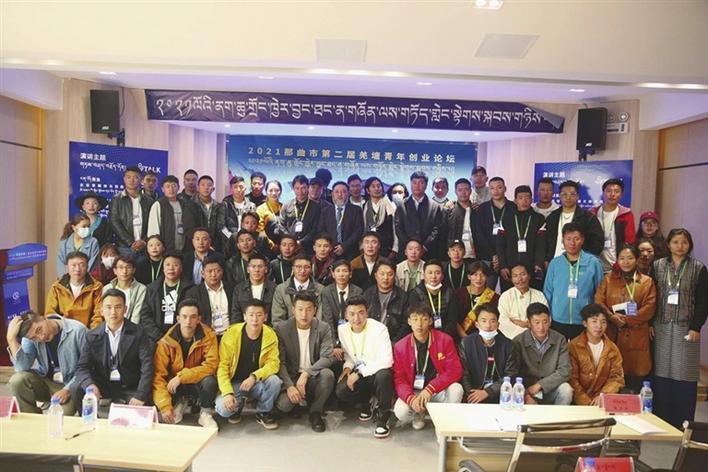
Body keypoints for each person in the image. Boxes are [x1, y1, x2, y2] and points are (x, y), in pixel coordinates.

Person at [651, 228, 708, 428]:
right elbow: (650, 297)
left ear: (689, 245)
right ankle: (660, 421)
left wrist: (696, 327)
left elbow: (703, 301)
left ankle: (682, 424)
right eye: (675, 242)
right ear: (668, 244)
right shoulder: (657, 265)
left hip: (686, 328)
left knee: (684, 374)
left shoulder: (698, 268)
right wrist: (649, 323)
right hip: (661, 325)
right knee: (661, 372)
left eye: (684, 242)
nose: (680, 246)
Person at [75, 289, 154, 413]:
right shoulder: (92, 335)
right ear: (101, 310)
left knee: (143, 405)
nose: (113, 312)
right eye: (108, 307)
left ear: (125, 309)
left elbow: (147, 366)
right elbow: (82, 367)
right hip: (103, 384)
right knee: (79, 390)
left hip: (130, 386)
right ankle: (91, 422)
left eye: (118, 307)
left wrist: (141, 394)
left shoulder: (138, 332)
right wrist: (90, 385)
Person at [594, 244, 656, 392]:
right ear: (617, 260)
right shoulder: (608, 279)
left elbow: (649, 308)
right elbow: (598, 301)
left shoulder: (646, 282)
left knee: (635, 380)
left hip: (636, 335)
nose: (626, 262)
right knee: (611, 378)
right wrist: (611, 317)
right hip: (611, 333)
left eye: (630, 258)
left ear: (636, 259)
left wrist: (626, 320)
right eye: (622, 258)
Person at [393, 303, 463, 430]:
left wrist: (431, 388)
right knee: (400, 412)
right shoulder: (400, 346)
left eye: (424, 319)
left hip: (437, 390)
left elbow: (455, 370)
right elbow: (399, 379)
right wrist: (410, 399)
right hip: (414, 391)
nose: (419, 324)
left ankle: (444, 419)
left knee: (456, 389)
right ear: (409, 321)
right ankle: (418, 413)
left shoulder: (445, 340)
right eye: (415, 319)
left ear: (431, 321)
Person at [215, 300, 282, 429]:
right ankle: (238, 406)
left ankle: (263, 412)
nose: (255, 319)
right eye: (251, 315)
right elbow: (222, 367)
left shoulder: (270, 335)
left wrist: (254, 376)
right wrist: (227, 393)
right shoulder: (231, 334)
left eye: (259, 315)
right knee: (223, 409)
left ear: (265, 317)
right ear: (244, 316)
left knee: (275, 381)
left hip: (256, 383)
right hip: (234, 384)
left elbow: (273, 364)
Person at [275, 292, 335, 432]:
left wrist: (306, 374)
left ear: (315, 310)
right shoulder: (282, 329)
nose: (304, 314)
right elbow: (280, 362)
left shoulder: (323, 327)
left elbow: (327, 357)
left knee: (327, 375)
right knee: (284, 405)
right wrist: (289, 386)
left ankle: (315, 412)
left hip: (312, 376)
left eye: (308, 309)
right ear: (293, 310)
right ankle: (295, 405)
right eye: (300, 309)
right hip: (291, 376)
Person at [153, 299, 218, 428]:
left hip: (197, 382)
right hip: (176, 386)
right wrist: (164, 406)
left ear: (199, 319)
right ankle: (181, 402)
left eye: (193, 317)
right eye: (184, 317)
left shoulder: (209, 336)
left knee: (210, 381)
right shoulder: (166, 341)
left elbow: (211, 365)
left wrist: (181, 377)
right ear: (178, 318)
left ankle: (205, 412)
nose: (188, 321)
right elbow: (158, 376)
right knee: (164, 383)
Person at [6, 311, 87, 415]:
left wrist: (68, 390)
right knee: (17, 380)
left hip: (71, 385)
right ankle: (31, 419)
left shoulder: (77, 330)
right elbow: (21, 367)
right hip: (46, 381)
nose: (41, 337)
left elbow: (88, 368)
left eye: (39, 329)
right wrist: (11, 339)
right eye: (34, 337)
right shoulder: (30, 337)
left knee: (58, 416)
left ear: (43, 318)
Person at [336, 296, 394, 438]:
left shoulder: (379, 329)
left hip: (376, 372)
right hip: (358, 371)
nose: (356, 318)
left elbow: (387, 360)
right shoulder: (342, 329)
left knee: (384, 376)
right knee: (341, 390)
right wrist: (347, 368)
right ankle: (366, 403)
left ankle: (383, 417)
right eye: (352, 314)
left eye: (361, 313)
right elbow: (349, 355)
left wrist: (359, 373)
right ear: (346, 315)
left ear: (367, 313)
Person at [544, 223, 604, 340]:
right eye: (568, 239)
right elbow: (548, 292)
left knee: (582, 351)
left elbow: (600, 292)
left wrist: (595, 317)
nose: (572, 243)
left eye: (576, 239)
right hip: (558, 319)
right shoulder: (555, 263)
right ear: (562, 240)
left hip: (584, 319)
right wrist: (548, 316)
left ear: (582, 240)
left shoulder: (593, 263)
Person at [506, 302, 573, 405]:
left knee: (566, 390)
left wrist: (540, 385)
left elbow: (565, 371)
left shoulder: (559, 339)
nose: (541, 327)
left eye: (545, 322)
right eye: (536, 322)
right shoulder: (518, 341)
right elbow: (513, 373)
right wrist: (525, 395)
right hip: (526, 391)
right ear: (529, 323)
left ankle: (558, 416)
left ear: (550, 321)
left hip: (550, 389)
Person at [568, 304, 625, 405]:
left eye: (603, 322)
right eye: (594, 321)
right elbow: (572, 379)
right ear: (585, 323)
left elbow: (616, 378)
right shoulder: (573, 347)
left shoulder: (612, 348)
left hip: (602, 401)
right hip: (579, 401)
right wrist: (586, 402)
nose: (599, 326)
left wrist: (603, 396)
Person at [459, 304, 513, 403]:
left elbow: (510, 375)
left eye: (492, 321)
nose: (488, 326)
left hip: (500, 394)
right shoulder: (466, 343)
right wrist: (472, 395)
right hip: (474, 393)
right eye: (483, 321)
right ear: (476, 324)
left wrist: (488, 392)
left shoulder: (509, 345)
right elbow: (464, 374)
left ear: (498, 324)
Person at [497, 185, 546, 291]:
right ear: (515, 200)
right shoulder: (506, 219)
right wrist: (502, 266)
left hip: (531, 268)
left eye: (527, 197)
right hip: (509, 268)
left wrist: (538, 263)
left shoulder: (539, 219)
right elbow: (500, 244)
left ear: (531, 199)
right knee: (509, 296)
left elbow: (541, 244)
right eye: (520, 198)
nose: (524, 201)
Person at [140, 252, 194, 343]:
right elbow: (145, 316)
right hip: (156, 339)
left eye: (175, 265)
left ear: (181, 268)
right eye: (167, 265)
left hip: (181, 338)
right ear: (163, 268)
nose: (171, 268)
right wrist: (159, 338)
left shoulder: (190, 289)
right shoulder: (152, 289)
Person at [544, 180, 604, 262]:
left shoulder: (588, 218)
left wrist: (585, 260)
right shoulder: (552, 217)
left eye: (572, 194)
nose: (568, 197)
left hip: (579, 263)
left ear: (578, 196)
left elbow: (598, 243)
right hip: (555, 262)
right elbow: (545, 242)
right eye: (564, 194)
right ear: (559, 196)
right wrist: (546, 259)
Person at [589, 178, 636, 272]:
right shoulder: (592, 213)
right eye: (609, 191)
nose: (612, 194)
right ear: (603, 193)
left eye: (616, 191)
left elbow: (630, 242)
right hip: (594, 265)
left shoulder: (626, 214)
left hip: (616, 266)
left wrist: (621, 264)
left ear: (621, 194)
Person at [45, 251, 103, 328]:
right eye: (73, 265)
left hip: (87, 331)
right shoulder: (57, 287)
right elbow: (50, 314)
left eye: (82, 265)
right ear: (67, 268)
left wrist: (91, 333)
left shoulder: (96, 287)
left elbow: (98, 315)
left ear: (87, 267)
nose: (77, 269)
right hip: (63, 330)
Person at [477, 177, 516, 290]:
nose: (496, 191)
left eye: (499, 187)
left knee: (508, 292)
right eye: (492, 188)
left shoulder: (513, 207)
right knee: (487, 293)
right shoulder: (483, 208)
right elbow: (479, 234)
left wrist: (501, 257)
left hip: (508, 258)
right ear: (489, 190)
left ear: (505, 188)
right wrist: (493, 255)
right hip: (488, 258)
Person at [407, 260, 461, 341]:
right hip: (423, 336)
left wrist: (441, 338)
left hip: (445, 337)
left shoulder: (450, 293)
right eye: (430, 273)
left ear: (442, 276)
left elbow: (452, 321)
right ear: (423, 275)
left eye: (437, 273)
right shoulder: (415, 294)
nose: (433, 276)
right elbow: (416, 320)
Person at [394, 171, 443, 259]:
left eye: (421, 183)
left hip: (427, 252)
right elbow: (398, 228)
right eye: (414, 182)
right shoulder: (402, 205)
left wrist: (424, 247)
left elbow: (436, 230)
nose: (417, 186)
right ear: (410, 184)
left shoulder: (435, 206)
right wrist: (410, 247)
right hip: (406, 252)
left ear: (426, 185)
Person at [147, 175, 200, 253]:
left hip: (184, 248)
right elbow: (153, 230)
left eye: (174, 186)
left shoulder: (185, 204)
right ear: (162, 189)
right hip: (166, 248)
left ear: (178, 188)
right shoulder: (158, 205)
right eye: (168, 186)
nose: (171, 189)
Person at [184, 255, 234, 336]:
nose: (213, 274)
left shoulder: (232, 289)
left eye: (217, 271)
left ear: (222, 272)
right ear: (202, 274)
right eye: (209, 271)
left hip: (229, 335)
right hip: (206, 337)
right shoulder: (193, 293)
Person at [109, 166, 152, 260]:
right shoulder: (117, 199)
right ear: (124, 179)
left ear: (141, 180)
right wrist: (130, 242)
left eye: (135, 177)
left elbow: (152, 223)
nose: (132, 180)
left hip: (145, 246)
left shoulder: (148, 201)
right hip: (124, 247)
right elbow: (114, 222)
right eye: (128, 177)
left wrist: (144, 241)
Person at [497, 265, 548, 340]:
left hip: (536, 338)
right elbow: (502, 321)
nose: (520, 279)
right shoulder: (506, 296)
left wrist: (516, 322)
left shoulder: (539, 295)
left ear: (529, 276)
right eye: (515, 276)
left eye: (523, 274)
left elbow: (546, 318)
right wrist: (527, 328)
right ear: (511, 279)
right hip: (512, 339)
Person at [363, 260, 409, 343]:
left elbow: (405, 325)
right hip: (370, 340)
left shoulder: (403, 296)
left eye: (390, 274)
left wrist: (394, 343)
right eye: (382, 274)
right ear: (376, 275)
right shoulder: (368, 294)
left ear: (395, 275)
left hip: (394, 341)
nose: (386, 278)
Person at [275, 174, 322, 255]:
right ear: (293, 189)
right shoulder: (286, 206)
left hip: (307, 248)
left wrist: (301, 242)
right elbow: (281, 225)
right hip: (288, 247)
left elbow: (315, 228)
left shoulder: (316, 207)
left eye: (303, 188)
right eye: (297, 188)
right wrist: (291, 241)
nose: (300, 192)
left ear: (308, 188)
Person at [272, 253, 325, 323]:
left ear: (311, 269)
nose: (302, 270)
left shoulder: (320, 290)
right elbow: (278, 320)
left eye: (307, 267)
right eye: (298, 267)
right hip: (287, 329)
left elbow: (321, 320)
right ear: (293, 268)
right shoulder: (281, 289)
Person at [317, 181, 364, 260]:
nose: (340, 194)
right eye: (337, 192)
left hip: (351, 251)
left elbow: (358, 231)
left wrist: (344, 246)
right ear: (332, 194)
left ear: (348, 194)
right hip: (330, 252)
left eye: (343, 192)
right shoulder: (325, 211)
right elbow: (321, 230)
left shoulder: (356, 210)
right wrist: (333, 245)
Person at [321, 259, 364, 343]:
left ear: (350, 274)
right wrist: (334, 343)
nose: (341, 274)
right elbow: (328, 319)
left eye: (345, 271)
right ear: (333, 274)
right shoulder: (326, 292)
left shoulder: (358, 291)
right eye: (338, 271)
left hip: (353, 334)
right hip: (333, 333)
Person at [447, 178, 488, 263]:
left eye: (466, 189)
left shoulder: (477, 210)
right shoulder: (449, 211)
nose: (463, 193)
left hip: (475, 254)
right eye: (460, 190)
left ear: (470, 191)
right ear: (455, 192)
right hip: (456, 255)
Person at [457, 261, 499, 337]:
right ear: (469, 276)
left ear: (487, 277)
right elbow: (453, 320)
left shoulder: (494, 297)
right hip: (461, 337)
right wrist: (465, 338)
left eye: (482, 275)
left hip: (486, 336)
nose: (479, 278)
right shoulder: (458, 294)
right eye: (475, 275)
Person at [231, 254, 277, 324]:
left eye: (260, 266)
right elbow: (236, 316)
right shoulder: (239, 289)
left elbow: (276, 316)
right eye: (253, 266)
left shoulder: (274, 288)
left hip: (268, 328)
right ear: (248, 269)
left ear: (266, 269)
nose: (256, 270)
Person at [102, 255, 147, 324]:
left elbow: (136, 316)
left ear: (133, 270)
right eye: (121, 267)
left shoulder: (141, 289)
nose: (124, 271)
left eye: (128, 267)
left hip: (132, 328)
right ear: (115, 271)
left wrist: (129, 329)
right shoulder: (107, 288)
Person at [362, 176, 397, 259]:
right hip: (370, 247)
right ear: (368, 190)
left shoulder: (390, 205)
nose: (376, 189)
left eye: (379, 186)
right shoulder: (364, 206)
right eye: (373, 186)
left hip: (387, 247)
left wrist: (395, 249)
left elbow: (396, 228)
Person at [220, 175, 257, 252]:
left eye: (241, 187)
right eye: (235, 187)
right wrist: (231, 237)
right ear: (231, 189)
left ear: (245, 188)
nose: (238, 189)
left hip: (247, 242)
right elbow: (221, 226)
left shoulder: (251, 206)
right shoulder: (225, 204)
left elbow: (254, 225)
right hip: (230, 242)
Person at [193, 175, 222, 250]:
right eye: (203, 185)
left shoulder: (219, 206)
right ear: (198, 188)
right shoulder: (191, 205)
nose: (206, 188)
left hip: (215, 246)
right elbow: (189, 228)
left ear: (213, 189)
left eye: (209, 185)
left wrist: (213, 245)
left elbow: (220, 228)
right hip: (197, 245)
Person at [256, 180, 283, 255]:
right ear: (266, 192)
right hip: (266, 247)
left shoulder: (284, 207)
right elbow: (260, 231)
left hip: (284, 247)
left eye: (277, 190)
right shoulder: (261, 209)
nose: (274, 193)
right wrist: (272, 245)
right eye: (270, 191)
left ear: (280, 192)